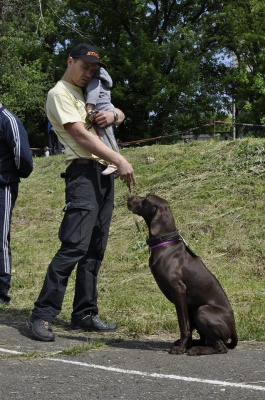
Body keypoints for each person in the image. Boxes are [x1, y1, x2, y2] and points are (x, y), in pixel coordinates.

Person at [26, 43, 136, 342]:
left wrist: (113, 117)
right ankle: (42, 315)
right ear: (70, 61)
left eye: (93, 69)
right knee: (74, 246)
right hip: (83, 174)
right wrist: (119, 158)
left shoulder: (90, 91)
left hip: (104, 175)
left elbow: (118, 111)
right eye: (84, 67)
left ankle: (84, 314)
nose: (89, 73)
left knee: (95, 249)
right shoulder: (58, 93)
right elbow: (78, 134)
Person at [0, 103, 33, 305]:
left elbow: (23, 157)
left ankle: (1, 291)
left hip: (2, 185)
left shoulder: (8, 120)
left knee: (0, 238)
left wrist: (12, 175)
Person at [84, 67, 119, 176]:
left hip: (101, 110)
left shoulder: (95, 81)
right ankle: (113, 162)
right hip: (104, 109)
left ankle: (115, 162)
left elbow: (93, 94)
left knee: (107, 136)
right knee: (105, 136)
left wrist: (89, 109)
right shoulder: (103, 82)